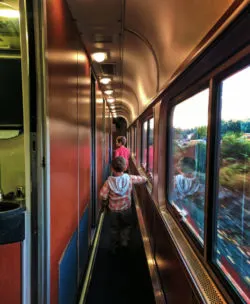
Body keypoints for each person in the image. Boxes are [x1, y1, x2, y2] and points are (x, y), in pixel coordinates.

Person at [100, 156, 147, 253]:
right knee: (126, 226)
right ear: (125, 168)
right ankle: (124, 241)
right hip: (126, 209)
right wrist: (147, 177)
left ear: (112, 168)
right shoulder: (129, 178)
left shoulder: (108, 182)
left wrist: (105, 200)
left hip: (113, 210)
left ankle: (114, 245)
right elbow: (141, 179)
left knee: (114, 228)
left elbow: (102, 195)